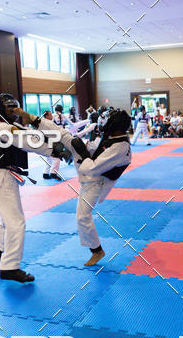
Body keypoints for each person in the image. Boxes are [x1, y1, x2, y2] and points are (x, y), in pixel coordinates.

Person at [27, 107, 132, 266]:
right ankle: (35, 122)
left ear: (114, 125)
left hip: (96, 182)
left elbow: (92, 168)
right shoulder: (111, 136)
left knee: (83, 216)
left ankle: (97, 251)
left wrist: (79, 153)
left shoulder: (120, 147)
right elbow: (94, 151)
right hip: (90, 174)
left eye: (107, 120)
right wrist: (81, 148)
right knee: (66, 137)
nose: (103, 122)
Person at [0, 93, 72, 283]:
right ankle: (10, 267)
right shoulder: (4, 128)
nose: (14, 111)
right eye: (10, 108)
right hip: (2, 179)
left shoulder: (6, 126)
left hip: (3, 178)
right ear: (0, 110)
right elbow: (26, 141)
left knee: (7, 220)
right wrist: (54, 150)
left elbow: (29, 135)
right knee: (17, 223)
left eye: (15, 107)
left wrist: (52, 142)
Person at [41, 111, 62, 180]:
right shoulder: (47, 123)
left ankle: (45, 173)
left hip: (46, 143)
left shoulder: (44, 122)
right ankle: (53, 173)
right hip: (48, 143)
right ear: (46, 116)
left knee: (49, 159)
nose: (52, 116)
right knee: (57, 158)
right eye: (50, 114)